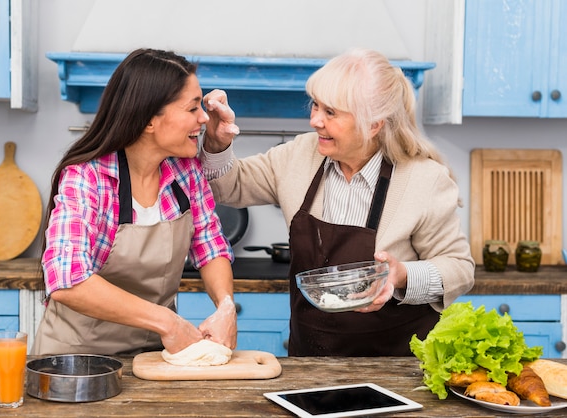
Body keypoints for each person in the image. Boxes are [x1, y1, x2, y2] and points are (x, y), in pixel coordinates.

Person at [200, 47, 475, 357]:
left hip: (397, 366)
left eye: (330, 112)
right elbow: (226, 187)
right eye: (315, 106)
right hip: (311, 360)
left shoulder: (424, 179)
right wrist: (217, 143)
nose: (315, 120)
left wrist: (401, 275)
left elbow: (459, 269)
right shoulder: (300, 154)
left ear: (374, 124)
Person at [32, 48, 237, 356]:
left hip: (152, 356)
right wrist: (167, 321)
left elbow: (210, 247)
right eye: (193, 108)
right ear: (149, 120)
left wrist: (226, 306)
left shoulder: (186, 171)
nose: (203, 118)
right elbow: (67, 280)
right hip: (76, 359)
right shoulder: (88, 177)